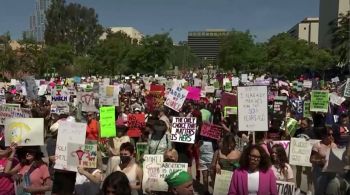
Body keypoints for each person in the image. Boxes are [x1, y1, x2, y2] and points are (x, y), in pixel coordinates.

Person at [310, 127, 339, 195]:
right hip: (320, 172)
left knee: (330, 192)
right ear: (324, 135)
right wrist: (320, 161)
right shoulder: (317, 145)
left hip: (331, 172)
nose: (331, 136)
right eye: (329, 134)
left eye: (332, 134)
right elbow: (311, 159)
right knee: (320, 192)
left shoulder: (334, 145)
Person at [293, 117, 314, 194]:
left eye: (304, 124)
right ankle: (298, 188)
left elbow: (314, 143)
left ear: (308, 124)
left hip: (307, 156)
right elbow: (293, 140)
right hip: (299, 155)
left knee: (309, 172)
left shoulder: (311, 132)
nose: (302, 125)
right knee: (298, 171)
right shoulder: (297, 131)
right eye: (301, 123)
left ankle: (309, 190)